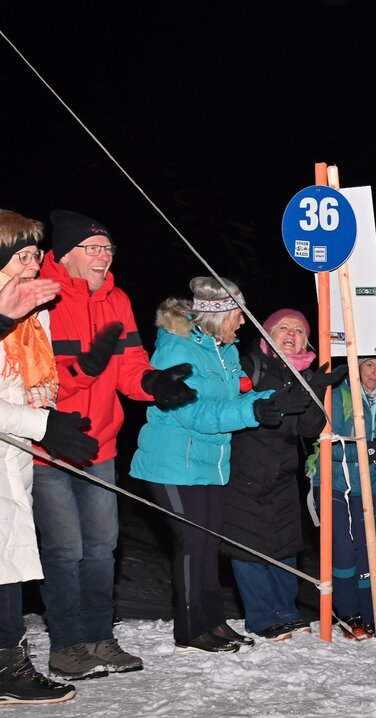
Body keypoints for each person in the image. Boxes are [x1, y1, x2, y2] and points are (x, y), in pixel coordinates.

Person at [33, 210, 196, 679]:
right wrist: (86, 369)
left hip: (100, 446)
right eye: (94, 248)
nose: (104, 257)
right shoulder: (40, 298)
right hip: (48, 447)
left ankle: (100, 637)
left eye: (108, 249)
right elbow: (37, 382)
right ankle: (67, 645)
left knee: (102, 548)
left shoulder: (117, 299)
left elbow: (129, 366)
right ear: (66, 253)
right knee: (64, 549)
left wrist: (152, 384)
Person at [129, 277, 286, 653]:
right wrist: (251, 412)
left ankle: (212, 620)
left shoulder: (225, 351)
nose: (243, 322)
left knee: (209, 542)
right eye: (237, 314)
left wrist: (282, 397)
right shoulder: (175, 348)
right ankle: (190, 628)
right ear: (218, 315)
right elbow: (194, 414)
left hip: (211, 463)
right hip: (171, 462)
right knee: (191, 542)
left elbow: (237, 398)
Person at [0, 209, 97, 704]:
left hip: (13, 457)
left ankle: (7, 666)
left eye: (36, 255)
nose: (34, 265)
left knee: (9, 565)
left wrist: (52, 418)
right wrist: (43, 426)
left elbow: (31, 383)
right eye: (22, 256)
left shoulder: (32, 315)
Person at [223, 308, 345, 642]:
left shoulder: (304, 375)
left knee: (285, 543)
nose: (291, 334)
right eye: (283, 328)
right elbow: (255, 409)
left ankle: (286, 611)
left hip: (283, 474)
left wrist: (315, 390)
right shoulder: (249, 366)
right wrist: (306, 389)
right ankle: (262, 617)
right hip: (244, 470)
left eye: (299, 330)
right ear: (267, 334)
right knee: (247, 545)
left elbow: (308, 428)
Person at [313, 354, 376, 644]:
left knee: (367, 554)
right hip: (334, 483)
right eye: (369, 365)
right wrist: (372, 450)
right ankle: (347, 614)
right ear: (357, 366)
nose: (375, 373)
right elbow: (331, 445)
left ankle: (371, 617)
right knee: (344, 549)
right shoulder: (338, 395)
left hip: (371, 486)